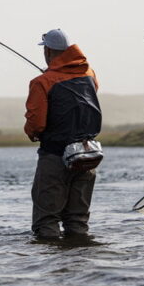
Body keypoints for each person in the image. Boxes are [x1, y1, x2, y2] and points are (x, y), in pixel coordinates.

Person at [24, 29, 102, 240]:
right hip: (87, 155)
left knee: (47, 221)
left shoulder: (41, 82)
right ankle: (80, 265)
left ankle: (52, 268)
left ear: (48, 51)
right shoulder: (90, 74)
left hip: (55, 156)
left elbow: (36, 123)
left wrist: (31, 133)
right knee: (78, 221)